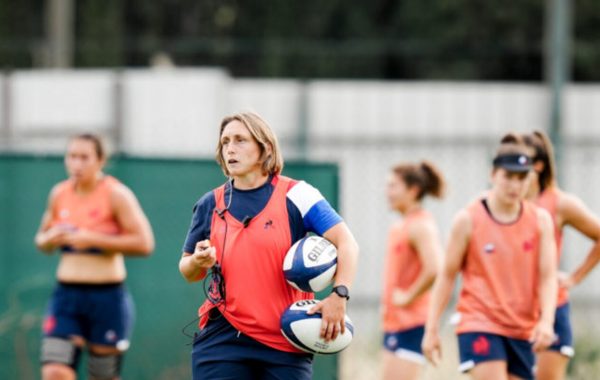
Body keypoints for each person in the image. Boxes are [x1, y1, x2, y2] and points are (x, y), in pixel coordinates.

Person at [179, 111, 359, 380]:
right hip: (223, 338)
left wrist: (338, 295)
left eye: (240, 140)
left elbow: (347, 243)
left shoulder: (298, 194)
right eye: (225, 141)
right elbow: (188, 270)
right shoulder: (210, 203)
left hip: (286, 340)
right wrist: (197, 262)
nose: (230, 148)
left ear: (265, 148)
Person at [422, 133, 558, 380]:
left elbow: (548, 277)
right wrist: (431, 329)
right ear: (493, 174)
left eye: (521, 178)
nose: (515, 186)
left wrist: (547, 321)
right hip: (479, 322)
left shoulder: (540, 221)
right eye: (508, 177)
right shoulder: (468, 219)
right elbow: (447, 276)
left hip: (522, 328)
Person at [35, 133, 155, 380]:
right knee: (54, 371)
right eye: (72, 156)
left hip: (107, 297)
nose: (76, 164)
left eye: (84, 157)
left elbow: (144, 243)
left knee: (102, 376)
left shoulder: (116, 194)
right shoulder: (59, 194)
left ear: (100, 160)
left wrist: (93, 239)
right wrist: (49, 239)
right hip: (66, 297)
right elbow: (41, 240)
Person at [522, 130, 600, 380]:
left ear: (539, 165)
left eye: (523, 161)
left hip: (550, 307)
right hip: (510, 310)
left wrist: (575, 278)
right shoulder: (498, 205)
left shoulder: (559, 203)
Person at [381, 161, 445, 380]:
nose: (387, 192)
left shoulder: (421, 226)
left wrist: (409, 296)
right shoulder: (401, 225)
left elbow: (435, 268)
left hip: (411, 324)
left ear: (413, 190)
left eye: (393, 186)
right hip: (395, 323)